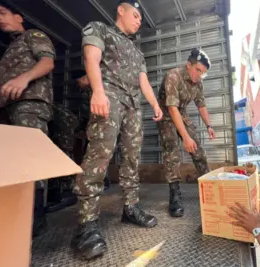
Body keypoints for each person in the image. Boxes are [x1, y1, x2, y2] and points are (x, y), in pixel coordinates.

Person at [70, 0, 163, 260]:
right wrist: (98, 91)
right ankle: (86, 225)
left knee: (132, 158)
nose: (138, 21)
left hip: (133, 105)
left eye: (140, 18)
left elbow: (142, 79)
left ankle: (130, 208)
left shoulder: (136, 50)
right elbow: (92, 57)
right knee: (100, 155)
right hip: (109, 96)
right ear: (120, 10)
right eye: (135, 15)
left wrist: (155, 103)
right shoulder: (99, 29)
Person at [0, 2, 55, 237]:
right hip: (7, 109)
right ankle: (17, 214)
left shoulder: (33, 35)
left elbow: (47, 62)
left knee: (32, 160)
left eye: (2, 13)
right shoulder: (9, 50)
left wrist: (24, 79)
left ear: (19, 17)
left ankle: (34, 217)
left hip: (30, 103)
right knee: (12, 164)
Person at [157, 48, 216, 217]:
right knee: (172, 151)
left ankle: (209, 188)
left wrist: (209, 126)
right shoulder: (173, 76)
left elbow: (201, 105)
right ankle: (174, 196)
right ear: (188, 65)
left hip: (180, 113)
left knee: (198, 150)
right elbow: (172, 108)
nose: (199, 75)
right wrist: (185, 137)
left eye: (203, 73)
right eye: (198, 70)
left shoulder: (198, 83)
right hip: (166, 115)